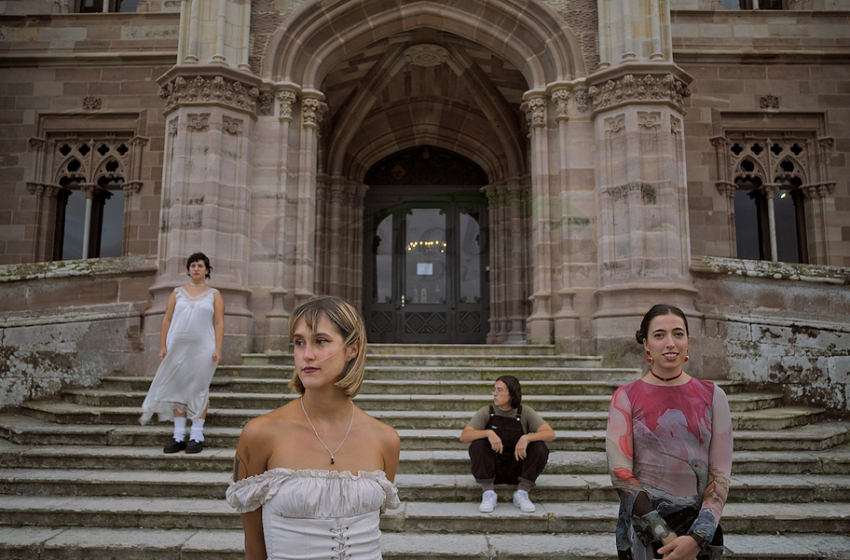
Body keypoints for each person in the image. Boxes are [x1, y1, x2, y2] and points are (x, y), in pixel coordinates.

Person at [226, 296, 401, 560]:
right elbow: (254, 542)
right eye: (299, 343)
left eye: (321, 341)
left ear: (352, 349)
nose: (306, 354)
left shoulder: (385, 439)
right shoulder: (261, 434)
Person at [606, 304, 733, 560]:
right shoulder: (625, 397)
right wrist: (663, 534)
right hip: (642, 532)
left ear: (688, 341)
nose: (670, 343)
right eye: (659, 335)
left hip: (701, 534)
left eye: (678, 333)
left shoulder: (714, 396)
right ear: (646, 344)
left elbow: (720, 475)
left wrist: (696, 538)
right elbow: (620, 473)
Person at [140, 252, 224, 454]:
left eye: (200, 265)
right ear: (188, 269)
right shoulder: (177, 293)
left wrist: (218, 348)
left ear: (207, 270)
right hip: (177, 347)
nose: (196, 268)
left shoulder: (214, 294)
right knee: (179, 388)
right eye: (193, 265)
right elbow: (167, 319)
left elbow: (219, 322)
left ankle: (196, 434)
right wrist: (162, 346)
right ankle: (178, 436)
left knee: (198, 388)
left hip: (203, 348)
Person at [459, 375, 556, 514]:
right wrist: (488, 433)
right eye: (494, 390)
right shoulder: (487, 411)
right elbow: (464, 436)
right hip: (493, 469)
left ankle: (522, 493)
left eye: (499, 390)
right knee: (478, 444)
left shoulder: (525, 412)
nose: (494, 394)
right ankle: (488, 494)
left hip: (517, 469)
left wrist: (526, 438)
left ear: (511, 394)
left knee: (540, 446)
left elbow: (550, 434)